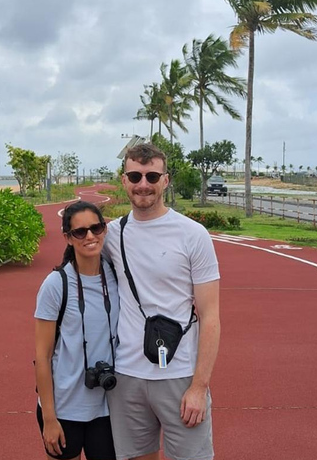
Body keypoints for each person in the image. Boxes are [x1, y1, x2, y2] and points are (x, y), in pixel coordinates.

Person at [103, 143, 221, 460]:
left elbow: (210, 316)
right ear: (124, 180)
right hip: (127, 375)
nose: (144, 184)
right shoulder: (111, 235)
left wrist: (199, 387)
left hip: (180, 376)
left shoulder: (193, 234)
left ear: (165, 181)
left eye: (152, 176)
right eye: (136, 176)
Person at [34, 201, 120, 460]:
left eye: (96, 228)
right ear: (68, 238)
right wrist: (49, 418)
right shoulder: (56, 284)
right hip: (63, 408)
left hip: (107, 407)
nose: (90, 236)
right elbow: (43, 356)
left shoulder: (117, 275)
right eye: (80, 232)